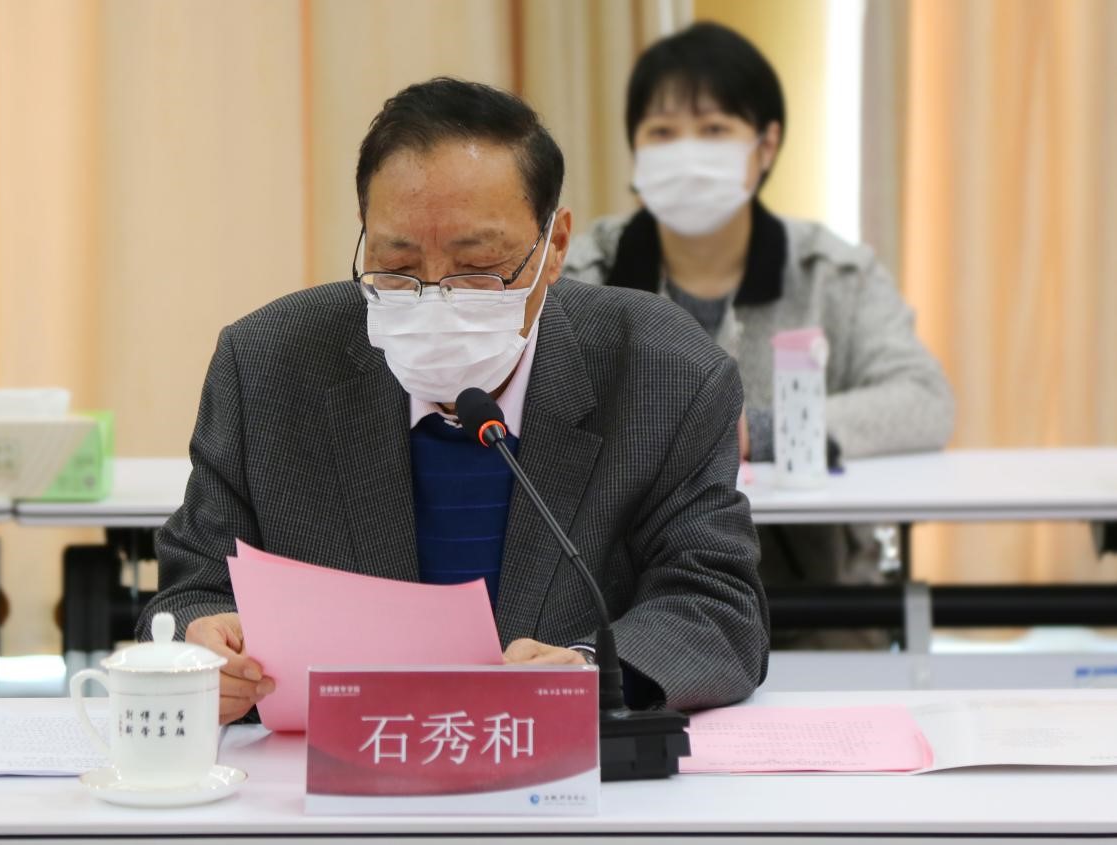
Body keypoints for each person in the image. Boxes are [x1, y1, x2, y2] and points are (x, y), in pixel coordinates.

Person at [139, 77, 769, 724]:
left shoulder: (663, 371)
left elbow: (716, 606)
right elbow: (190, 593)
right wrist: (202, 646)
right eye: (398, 264)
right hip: (339, 761)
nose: (435, 294)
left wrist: (586, 672)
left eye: (478, 265)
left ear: (554, 246)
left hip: (558, 768)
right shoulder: (268, 366)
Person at [563, 23, 955, 645]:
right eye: (662, 133)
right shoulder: (585, 274)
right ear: (635, 150)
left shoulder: (830, 272)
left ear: (766, 145)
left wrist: (763, 431)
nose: (687, 152)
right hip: (622, 611)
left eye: (714, 129)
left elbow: (922, 401)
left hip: (817, 608)